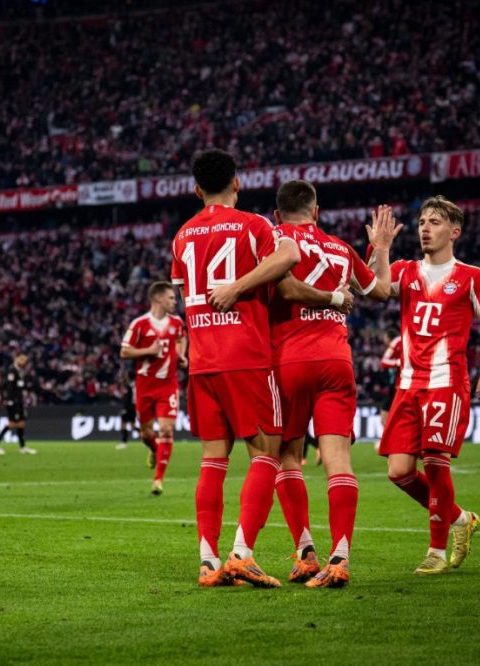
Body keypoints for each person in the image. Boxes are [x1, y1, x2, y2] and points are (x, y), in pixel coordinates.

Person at [170, 148, 302, 588]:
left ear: (195, 189)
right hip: (246, 356)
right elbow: (289, 258)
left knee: (213, 459)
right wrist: (239, 287)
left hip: (202, 361)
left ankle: (207, 561)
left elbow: (182, 292)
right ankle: (242, 553)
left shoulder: (182, 235)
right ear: (237, 183)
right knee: (266, 452)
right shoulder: (254, 224)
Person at [268, 180, 398, 588]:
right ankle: (340, 557)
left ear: (277, 214)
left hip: (287, 359)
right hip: (336, 362)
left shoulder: (272, 239)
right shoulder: (341, 247)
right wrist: (380, 247)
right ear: (317, 212)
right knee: (338, 460)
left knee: (287, 456)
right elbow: (380, 292)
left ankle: (306, 553)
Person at [374, 195, 480, 575]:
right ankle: (461, 519)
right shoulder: (403, 270)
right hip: (407, 384)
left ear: (454, 231)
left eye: (434, 222)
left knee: (435, 463)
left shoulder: (471, 277)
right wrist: (379, 248)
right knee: (398, 472)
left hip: (446, 382)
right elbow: (368, 282)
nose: (425, 229)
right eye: (421, 223)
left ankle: (435, 552)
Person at [120, 282, 187, 495]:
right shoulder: (139, 324)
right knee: (146, 433)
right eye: (170, 298)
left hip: (168, 384)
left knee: (166, 429)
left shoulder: (177, 323)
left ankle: (158, 479)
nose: (174, 302)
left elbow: (181, 337)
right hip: (145, 384)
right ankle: (153, 449)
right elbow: (124, 351)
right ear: (157, 299)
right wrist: (148, 350)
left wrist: (181, 354)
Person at [0, 353, 37, 455]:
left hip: (19, 401)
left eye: (25, 360)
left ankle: (22, 447)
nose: (23, 362)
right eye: (21, 359)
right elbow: (8, 386)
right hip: (13, 402)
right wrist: (8, 399)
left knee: (21, 423)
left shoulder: (19, 371)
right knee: (12, 423)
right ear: (16, 359)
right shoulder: (12, 370)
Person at [379, 328, 402, 428]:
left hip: (400, 386)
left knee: (396, 418)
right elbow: (384, 363)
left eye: (385, 337)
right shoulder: (398, 344)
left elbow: (383, 362)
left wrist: (398, 363)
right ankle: (387, 441)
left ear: (388, 338)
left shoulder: (397, 341)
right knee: (384, 419)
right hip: (393, 387)